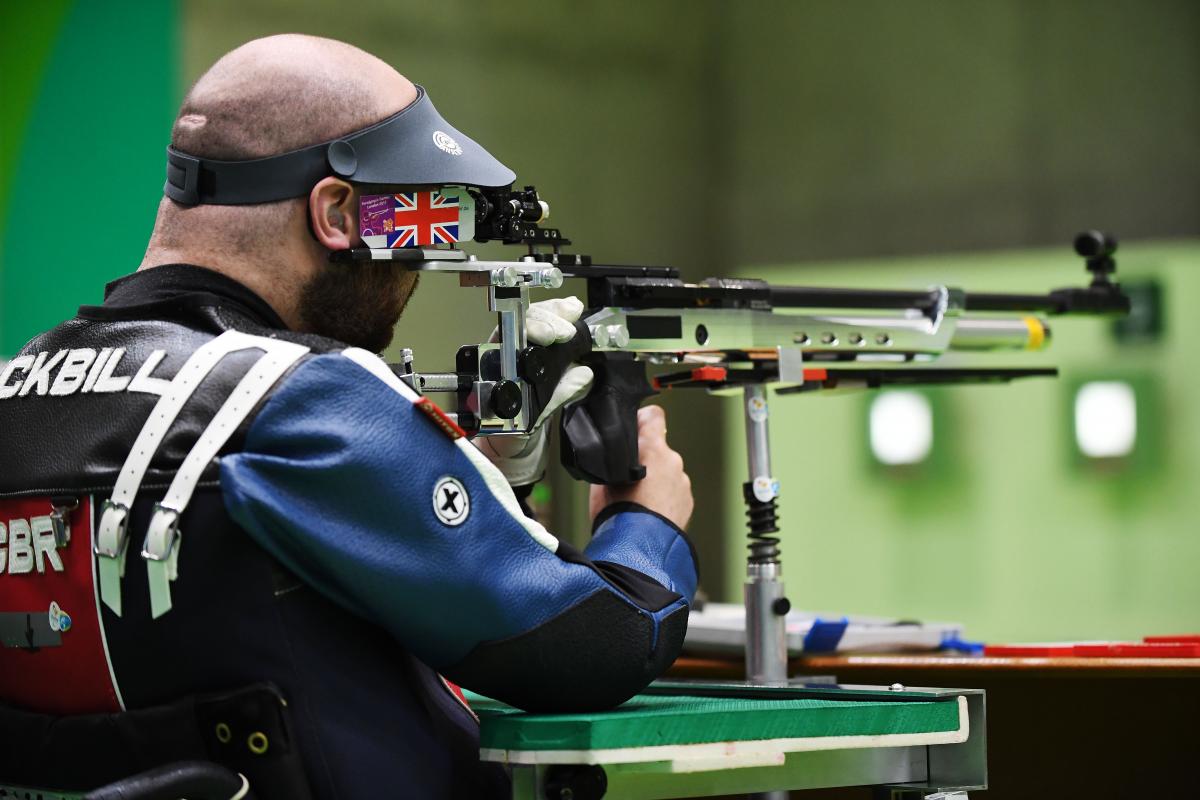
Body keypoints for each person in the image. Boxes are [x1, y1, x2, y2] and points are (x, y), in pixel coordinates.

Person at [0, 34, 696, 798]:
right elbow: (593, 643)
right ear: (335, 210)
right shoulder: (295, 397)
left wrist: (484, 487)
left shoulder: (17, 392)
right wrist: (645, 519)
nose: (418, 267)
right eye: (413, 229)